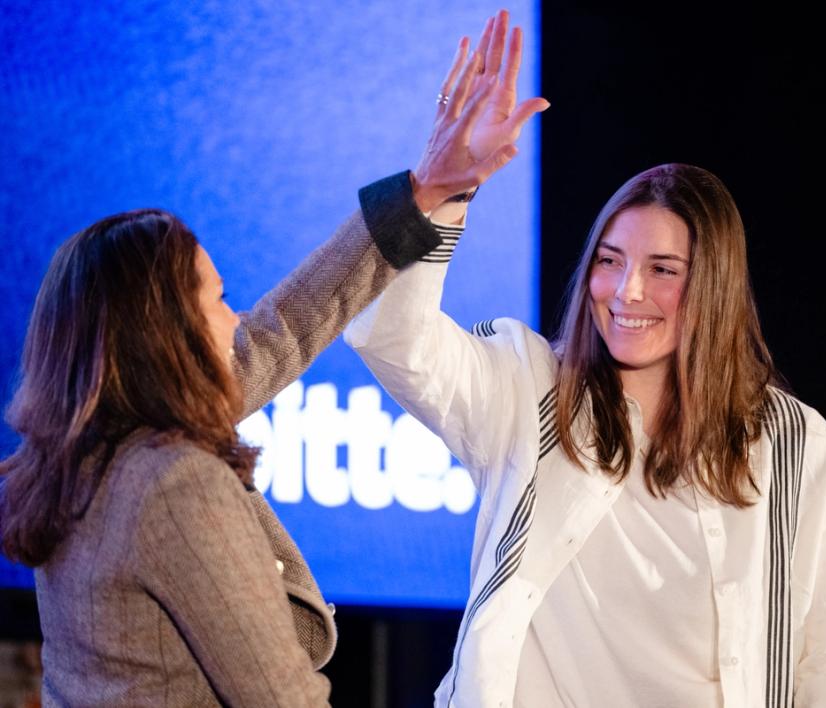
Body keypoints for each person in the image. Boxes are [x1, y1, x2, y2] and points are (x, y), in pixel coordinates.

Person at [0, 12, 546, 705]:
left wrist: (427, 190)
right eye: (217, 299)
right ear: (165, 336)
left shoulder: (84, 451)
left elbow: (281, 328)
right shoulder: (173, 484)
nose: (234, 319)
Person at [345, 70, 826, 708]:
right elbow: (390, 336)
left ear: (713, 285)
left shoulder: (794, 445)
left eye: (662, 270)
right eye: (610, 260)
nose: (626, 292)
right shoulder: (529, 389)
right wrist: (440, 191)